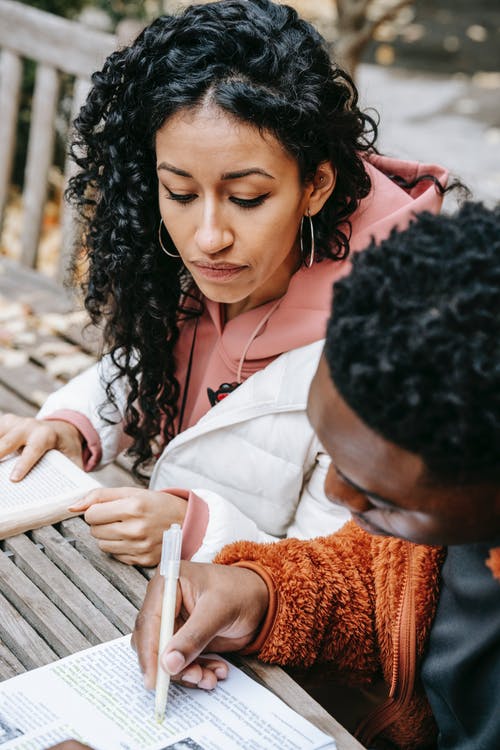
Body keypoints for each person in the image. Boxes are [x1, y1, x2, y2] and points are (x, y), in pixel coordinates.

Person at [0, 0, 446, 567]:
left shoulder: (391, 339)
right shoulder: (213, 272)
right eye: (180, 194)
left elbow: (347, 578)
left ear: (316, 186)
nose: (207, 237)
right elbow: (152, 360)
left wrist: (198, 530)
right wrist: (75, 426)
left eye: (246, 199)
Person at [132, 203, 500, 750]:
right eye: (331, 455)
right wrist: (258, 593)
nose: (334, 493)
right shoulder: (448, 528)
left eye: (381, 497)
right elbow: (387, 586)